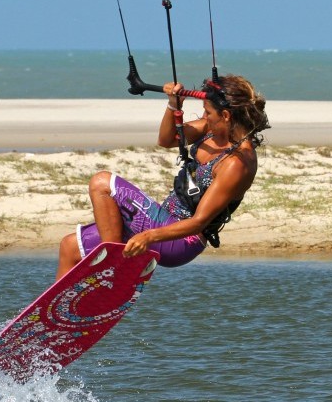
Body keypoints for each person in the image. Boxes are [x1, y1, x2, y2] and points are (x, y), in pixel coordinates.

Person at [56, 74, 271, 279]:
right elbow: (167, 140)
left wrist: (148, 236)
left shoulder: (237, 163)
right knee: (70, 247)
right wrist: (173, 106)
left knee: (101, 182)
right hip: (161, 221)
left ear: (225, 116)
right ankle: (58, 313)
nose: (205, 117)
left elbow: (198, 222)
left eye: (208, 112)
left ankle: (115, 265)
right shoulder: (211, 129)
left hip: (182, 240)